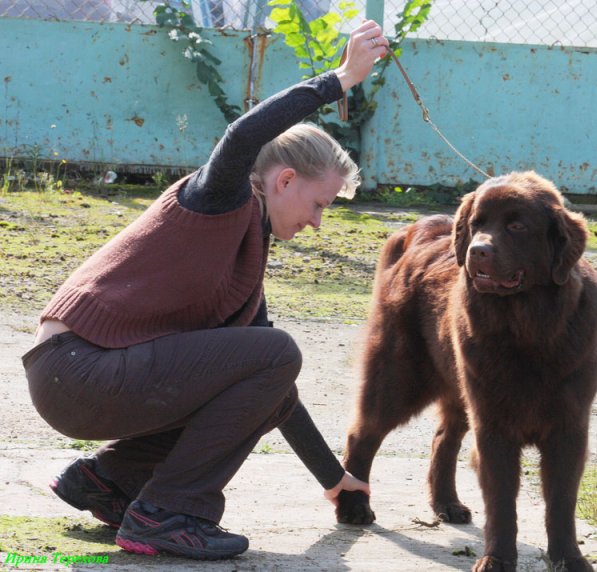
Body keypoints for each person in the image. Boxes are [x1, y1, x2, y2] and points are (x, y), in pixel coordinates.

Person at [21, 20, 389, 561]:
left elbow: (275, 396)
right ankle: (168, 512)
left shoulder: (245, 260)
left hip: (81, 378)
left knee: (269, 372)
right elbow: (243, 136)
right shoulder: (220, 197)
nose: (317, 223)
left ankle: (112, 482)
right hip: (77, 369)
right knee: (277, 352)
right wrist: (341, 78)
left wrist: (336, 480)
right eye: (319, 205)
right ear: (284, 180)